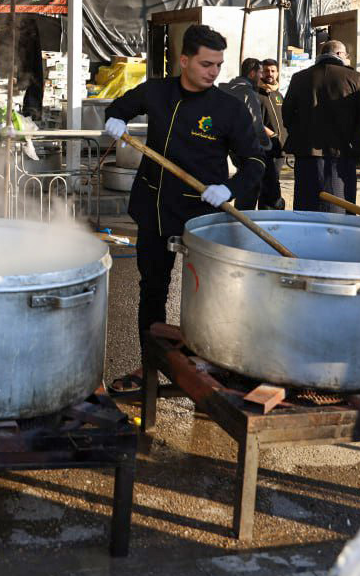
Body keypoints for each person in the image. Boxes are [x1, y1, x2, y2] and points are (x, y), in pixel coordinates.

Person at [101, 25, 266, 393]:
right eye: (206, 63)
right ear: (184, 60)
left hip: (201, 218)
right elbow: (121, 106)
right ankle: (149, 370)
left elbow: (256, 161)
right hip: (154, 209)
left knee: (206, 297)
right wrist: (116, 118)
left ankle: (211, 369)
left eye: (219, 65)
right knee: (152, 290)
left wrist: (229, 188)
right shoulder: (157, 92)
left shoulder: (228, 108)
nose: (213, 72)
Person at [282, 39, 360, 213]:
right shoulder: (355, 78)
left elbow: (287, 114)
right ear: (339, 54)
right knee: (340, 206)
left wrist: (299, 133)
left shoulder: (299, 78)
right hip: (342, 153)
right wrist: (355, 137)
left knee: (306, 206)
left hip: (306, 153)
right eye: (346, 55)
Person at [220, 58, 270, 210]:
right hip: (242, 143)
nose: (262, 76)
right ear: (252, 73)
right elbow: (255, 123)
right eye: (260, 72)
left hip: (225, 143)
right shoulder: (248, 93)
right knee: (250, 181)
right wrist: (266, 144)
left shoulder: (225, 89)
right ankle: (243, 218)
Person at [257, 58, 287, 209]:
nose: (270, 74)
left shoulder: (278, 95)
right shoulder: (256, 94)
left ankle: (270, 215)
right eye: (266, 71)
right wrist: (273, 136)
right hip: (266, 148)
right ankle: (273, 212)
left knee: (273, 182)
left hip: (280, 148)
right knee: (270, 184)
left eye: (273, 71)